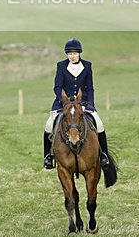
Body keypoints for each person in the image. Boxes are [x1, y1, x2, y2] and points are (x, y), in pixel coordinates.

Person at [43, 38, 111, 170]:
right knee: (48, 125)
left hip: (83, 103)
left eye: (74, 53)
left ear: (79, 53)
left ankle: (104, 155)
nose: (72, 56)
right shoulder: (61, 66)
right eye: (69, 54)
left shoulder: (87, 66)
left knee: (100, 124)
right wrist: (63, 101)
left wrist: (90, 103)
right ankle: (48, 157)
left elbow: (90, 88)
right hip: (63, 103)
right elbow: (57, 87)